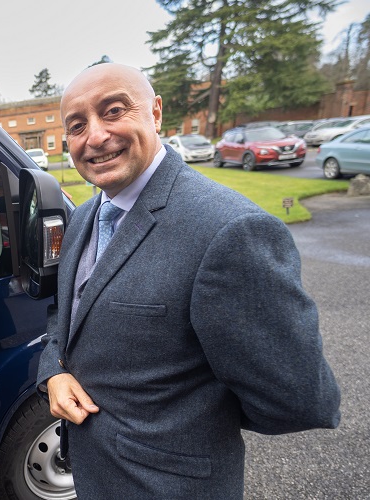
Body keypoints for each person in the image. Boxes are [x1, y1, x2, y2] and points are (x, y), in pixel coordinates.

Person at [36, 63, 340, 498]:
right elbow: (63, 320)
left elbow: (300, 397)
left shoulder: (230, 229)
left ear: (155, 113)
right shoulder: (83, 217)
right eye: (78, 125)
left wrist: (187, 420)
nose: (96, 136)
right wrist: (54, 373)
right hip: (92, 475)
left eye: (114, 110)